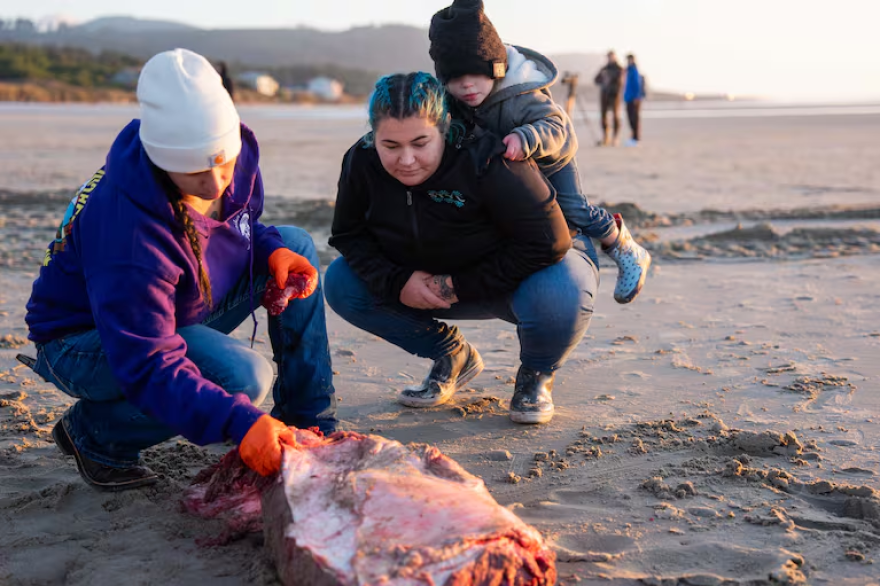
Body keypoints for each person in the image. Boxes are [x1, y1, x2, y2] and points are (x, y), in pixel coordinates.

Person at [23, 48, 337, 492]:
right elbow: (148, 360)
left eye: (223, 163)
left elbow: (241, 226)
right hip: (84, 339)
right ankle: (94, 435)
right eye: (193, 174)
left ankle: (308, 423)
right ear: (161, 160)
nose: (214, 184)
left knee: (296, 244)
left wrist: (270, 251)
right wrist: (238, 421)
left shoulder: (232, 156)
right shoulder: (128, 233)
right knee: (242, 377)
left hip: (175, 300)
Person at [325, 71, 598, 425]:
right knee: (340, 282)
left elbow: (550, 241)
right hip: (420, 285)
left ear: (444, 128)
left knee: (565, 285)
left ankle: (536, 376)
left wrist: (457, 285)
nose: (406, 160)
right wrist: (397, 281)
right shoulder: (361, 161)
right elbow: (348, 235)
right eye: (390, 146)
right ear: (373, 136)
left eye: (420, 143)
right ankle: (450, 354)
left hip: (511, 284)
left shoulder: (488, 158)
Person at [428, 0, 650, 304]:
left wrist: (526, 137)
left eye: (475, 73)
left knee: (572, 208)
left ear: (496, 67)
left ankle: (623, 246)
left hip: (551, 156)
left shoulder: (519, 93)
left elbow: (557, 126)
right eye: (455, 77)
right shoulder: (457, 101)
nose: (466, 85)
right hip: (511, 169)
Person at [594, 51, 624, 147]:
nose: (610, 59)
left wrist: (612, 82)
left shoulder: (619, 69)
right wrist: (603, 78)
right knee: (603, 117)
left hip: (615, 95)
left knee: (615, 116)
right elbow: (596, 80)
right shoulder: (604, 68)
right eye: (608, 57)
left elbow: (621, 83)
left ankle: (615, 138)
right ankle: (605, 137)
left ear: (615, 57)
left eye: (611, 57)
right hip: (604, 95)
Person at [624, 53, 645, 146]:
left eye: (630, 59)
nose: (628, 61)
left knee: (634, 119)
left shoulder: (634, 70)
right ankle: (633, 137)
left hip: (634, 99)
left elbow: (637, 85)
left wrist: (636, 97)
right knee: (630, 119)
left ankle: (635, 138)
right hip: (628, 98)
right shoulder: (628, 71)